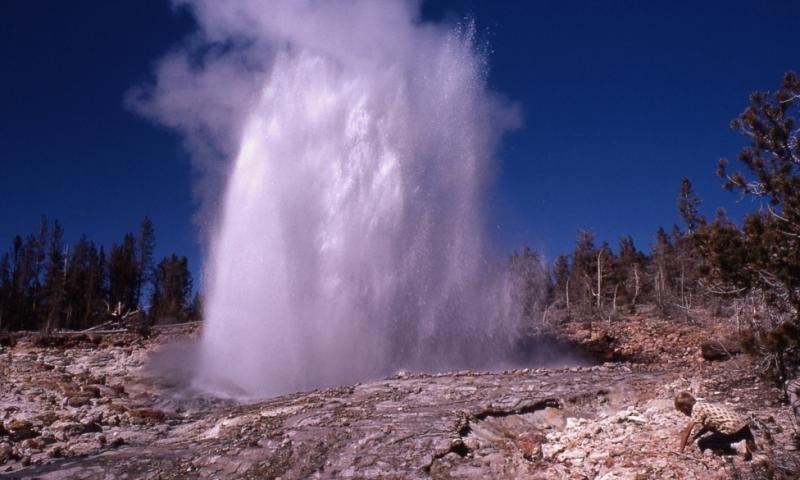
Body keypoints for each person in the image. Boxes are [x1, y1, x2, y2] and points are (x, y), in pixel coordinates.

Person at [674, 391, 757, 459]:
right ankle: (746, 442)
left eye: (682, 411)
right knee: (715, 436)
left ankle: (736, 447)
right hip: (744, 427)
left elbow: (686, 431)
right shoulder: (704, 405)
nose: (684, 413)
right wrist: (694, 437)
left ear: (686, 409)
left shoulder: (696, 409)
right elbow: (708, 427)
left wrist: (680, 451)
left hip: (731, 429)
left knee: (702, 443)